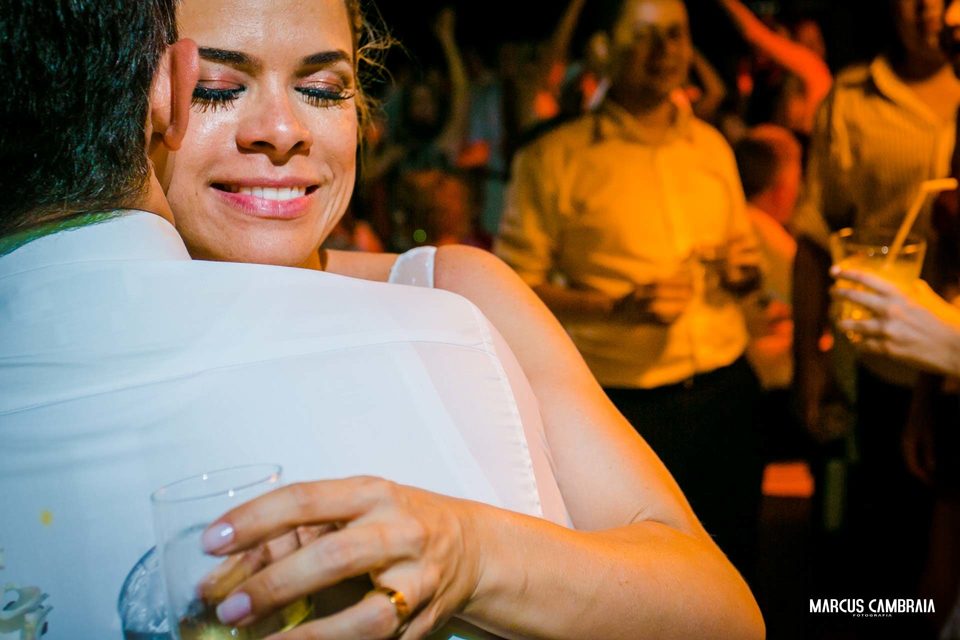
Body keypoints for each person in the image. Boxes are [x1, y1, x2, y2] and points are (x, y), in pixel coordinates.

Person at [0, 1, 766, 639]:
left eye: (323, 89)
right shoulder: (53, 347)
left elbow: (722, 610)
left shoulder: (454, 294)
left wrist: (469, 553)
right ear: (149, 99)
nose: (282, 130)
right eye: (219, 88)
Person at [494, 0, 765, 579]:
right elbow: (512, 285)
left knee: (735, 563)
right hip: (622, 406)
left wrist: (745, 273)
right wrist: (614, 308)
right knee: (642, 578)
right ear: (603, 51)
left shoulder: (712, 146)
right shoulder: (554, 156)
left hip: (725, 389)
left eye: (675, 34)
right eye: (643, 36)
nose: (665, 51)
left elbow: (744, 255)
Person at [791, 0, 960, 614]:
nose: (931, 12)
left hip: (947, 373)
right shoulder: (853, 98)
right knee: (880, 562)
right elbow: (816, 237)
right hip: (886, 370)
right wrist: (809, 362)